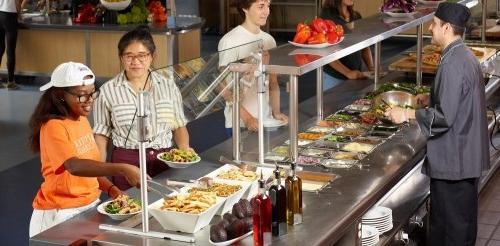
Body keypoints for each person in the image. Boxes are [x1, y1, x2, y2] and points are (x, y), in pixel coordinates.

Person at [385, 3, 490, 245]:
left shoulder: (452, 63)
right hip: (465, 159)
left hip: (455, 162)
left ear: (446, 27)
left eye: (434, 23)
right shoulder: (463, 54)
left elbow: (445, 117)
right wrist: (430, 98)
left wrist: (408, 113)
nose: (430, 28)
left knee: (450, 230)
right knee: (462, 224)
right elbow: (458, 100)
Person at [28, 62, 141, 237]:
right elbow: (74, 166)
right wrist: (122, 168)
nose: (89, 100)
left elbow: (91, 167)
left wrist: (113, 190)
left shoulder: (81, 119)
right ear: (60, 95)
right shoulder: (53, 126)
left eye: (92, 93)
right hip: (58, 214)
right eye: (82, 95)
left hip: (89, 206)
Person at [93, 26, 192, 190]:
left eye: (142, 55)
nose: (135, 62)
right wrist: (99, 171)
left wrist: (184, 151)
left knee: (165, 206)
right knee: (132, 210)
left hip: (164, 158)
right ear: (121, 57)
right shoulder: (107, 90)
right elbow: (101, 135)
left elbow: (178, 126)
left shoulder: (168, 86)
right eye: (129, 56)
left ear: (152, 56)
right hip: (126, 162)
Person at [218, 0, 287, 135]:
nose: (266, 11)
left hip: (265, 119)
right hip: (239, 123)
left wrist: (276, 112)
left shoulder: (269, 40)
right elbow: (222, 87)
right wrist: (247, 118)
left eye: (268, 6)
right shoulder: (230, 41)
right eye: (261, 6)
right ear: (245, 8)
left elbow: (273, 82)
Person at [320, 0, 375, 89]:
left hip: (356, 74)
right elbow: (326, 53)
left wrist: (371, 67)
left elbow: (364, 46)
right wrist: (347, 73)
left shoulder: (356, 16)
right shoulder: (326, 18)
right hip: (335, 77)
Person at [0, 0, 23, 89]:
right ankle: (10, 82)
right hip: (10, 16)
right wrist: (19, 14)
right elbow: (17, 2)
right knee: (10, 51)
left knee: (0, 49)